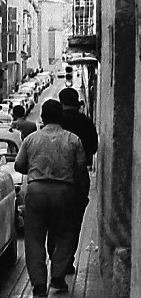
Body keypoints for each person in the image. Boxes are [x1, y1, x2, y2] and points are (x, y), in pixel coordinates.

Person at [15, 99, 86, 297]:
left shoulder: (31, 139)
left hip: (36, 191)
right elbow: (80, 169)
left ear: (42, 117)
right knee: (65, 234)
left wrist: (35, 167)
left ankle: (38, 284)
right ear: (61, 117)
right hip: (64, 192)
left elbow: (19, 165)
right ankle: (57, 277)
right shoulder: (73, 140)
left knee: (34, 238)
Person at [59, 87, 98, 274]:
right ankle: (68, 260)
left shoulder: (57, 121)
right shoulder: (85, 121)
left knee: (56, 223)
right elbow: (94, 147)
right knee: (74, 222)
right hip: (79, 178)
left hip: (57, 178)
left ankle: (57, 260)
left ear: (62, 102)